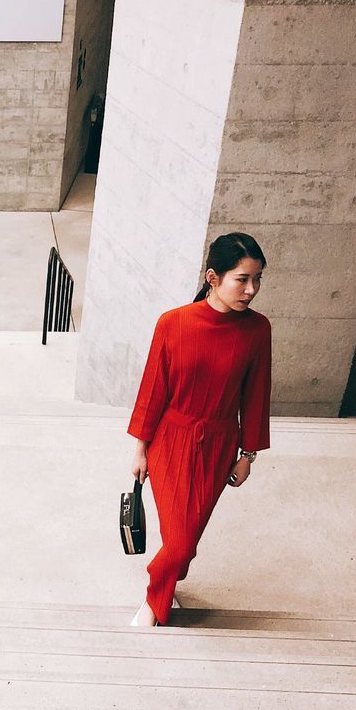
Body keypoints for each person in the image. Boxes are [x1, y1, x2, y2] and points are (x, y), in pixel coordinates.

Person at [127, 232, 272, 627]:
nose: (251, 289)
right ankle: (157, 597)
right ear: (213, 277)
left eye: (257, 279)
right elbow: (153, 390)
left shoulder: (258, 331)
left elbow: (256, 396)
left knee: (187, 539)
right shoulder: (173, 323)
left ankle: (168, 580)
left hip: (219, 445)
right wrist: (140, 448)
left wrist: (248, 455)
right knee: (179, 541)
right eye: (241, 279)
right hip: (170, 441)